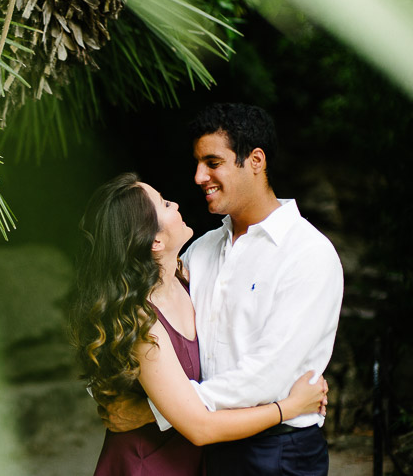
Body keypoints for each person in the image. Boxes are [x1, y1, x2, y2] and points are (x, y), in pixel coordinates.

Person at [100, 104, 344, 476]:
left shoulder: (308, 255)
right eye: (198, 163)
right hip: (206, 448)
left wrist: (152, 410)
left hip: (275, 451)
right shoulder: (201, 250)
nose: (199, 176)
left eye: (213, 162)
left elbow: (267, 376)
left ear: (256, 161)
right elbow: (135, 313)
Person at [71, 172, 327, 476]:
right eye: (165, 204)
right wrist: (290, 407)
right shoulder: (143, 322)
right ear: (155, 240)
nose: (176, 204)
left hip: (194, 460)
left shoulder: (190, 276)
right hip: (150, 465)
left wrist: (147, 412)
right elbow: (199, 427)